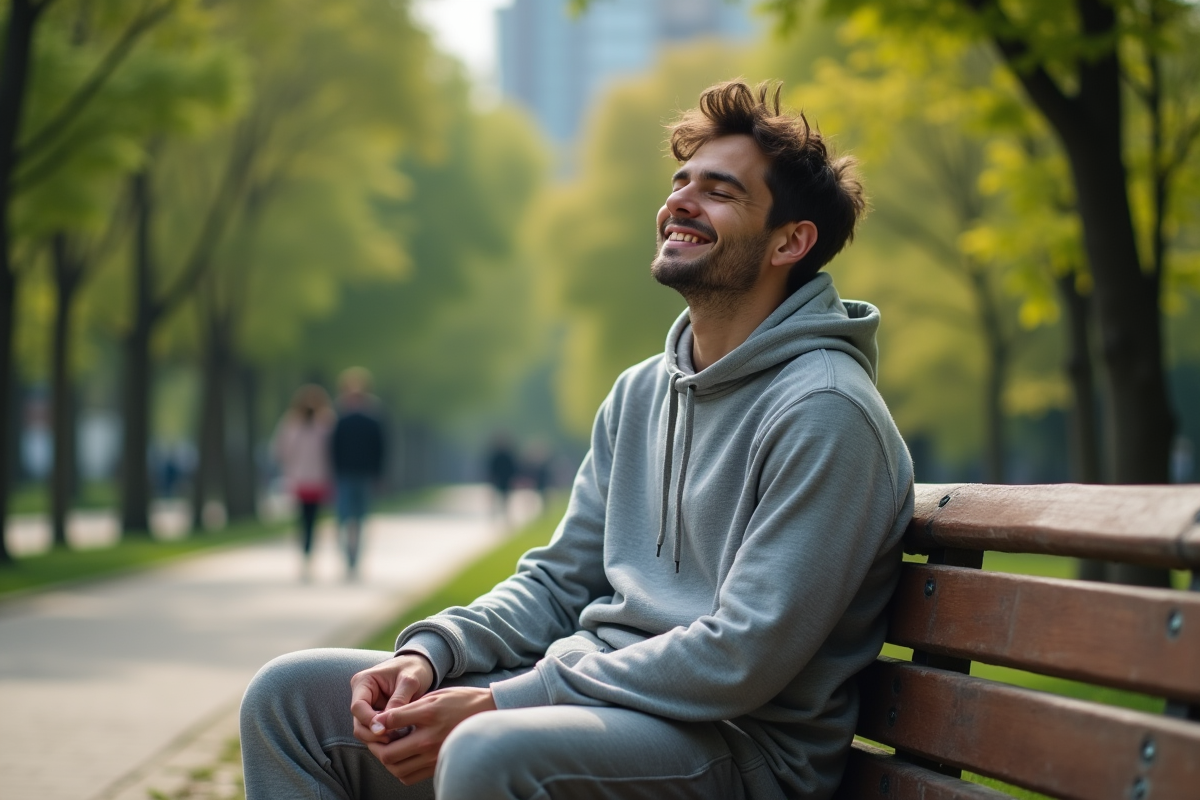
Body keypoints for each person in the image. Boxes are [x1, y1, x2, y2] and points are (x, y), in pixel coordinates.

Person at [241, 80, 914, 800]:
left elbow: (740, 656)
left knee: (485, 751)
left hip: (745, 749)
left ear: (791, 241)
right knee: (290, 700)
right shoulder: (641, 392)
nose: (679, 202)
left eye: (719, 191)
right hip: (605, 705)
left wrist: (506, 701)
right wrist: (435, 655)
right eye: (680, 182)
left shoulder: (826, 411)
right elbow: (558, 581)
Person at [271, 385, 336, 578]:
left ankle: (307, 553)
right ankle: (306, 553)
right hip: (303, 479)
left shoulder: (323, 423)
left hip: (313, 479)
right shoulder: (296, 423)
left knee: (310, 519)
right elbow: (281, 450)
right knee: (306, 519)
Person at [330, 367, 386, 578]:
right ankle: (347, 555)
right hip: (344, 474)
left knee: (360, 518)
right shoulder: (340, 420)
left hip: (364, 475)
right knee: (344, 517)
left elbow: (380, 449)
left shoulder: (373, 420)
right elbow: (332, 449)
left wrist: (378, 474)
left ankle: (356, 558)